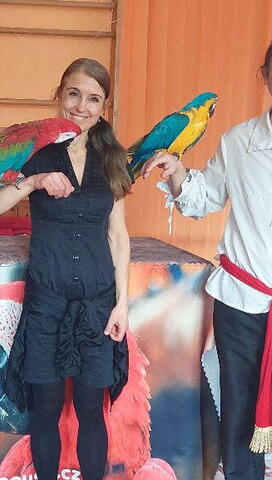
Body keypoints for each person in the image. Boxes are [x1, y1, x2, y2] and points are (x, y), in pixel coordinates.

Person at [0, 58, 131, 480]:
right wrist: (32, 182)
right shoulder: (36, 152)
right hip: (46, 306)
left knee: (91, 411)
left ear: (104, 106)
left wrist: (122, 305)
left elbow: (118, 235)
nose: (82, 106)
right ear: (59, 95)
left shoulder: (113, 158)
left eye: (93, 99)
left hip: (98, 307)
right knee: (44, 411)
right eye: (74, 94)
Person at [140, 42, 272, 480]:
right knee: (240, 408)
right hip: (243, 301)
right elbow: (204, 199)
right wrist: (177, 171)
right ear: (265, 77)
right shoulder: (239, 142)